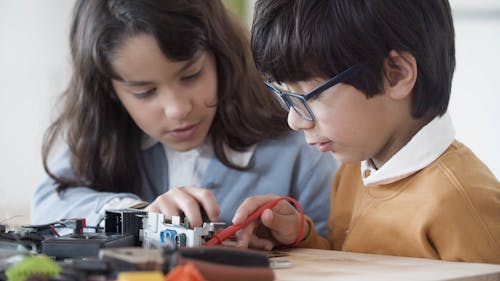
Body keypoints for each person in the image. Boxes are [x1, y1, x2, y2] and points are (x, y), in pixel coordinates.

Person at [31, 0, 338, 238]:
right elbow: (46, 205)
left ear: (221, 57)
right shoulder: (106, 140)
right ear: (109, 91)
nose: (178, 109)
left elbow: (333, 250)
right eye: (145, 92)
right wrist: (135, 215)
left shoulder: (297, 137)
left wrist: (295, 234)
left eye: (191, 75)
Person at [233, 0, 500, 263]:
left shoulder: (463, 203)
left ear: (394, 75)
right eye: (286, 97)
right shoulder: (352, 173)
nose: (294, 121)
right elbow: (352, 264)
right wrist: (300, 237)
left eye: (308, 97)